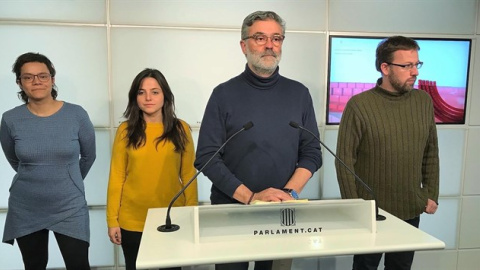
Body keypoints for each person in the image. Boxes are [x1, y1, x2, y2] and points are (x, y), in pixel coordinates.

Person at [194, 11, 322, 270]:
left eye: (276, 38)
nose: (269, 45)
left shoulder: (299, 93)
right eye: (260, 38)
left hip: (282, 212)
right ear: (244, 45)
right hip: (232, 211)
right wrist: (251, 197)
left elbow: (312, 152)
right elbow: (207, 156)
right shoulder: (223, 94)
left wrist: (289, 193)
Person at [335, 36, 440, 270]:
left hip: (410, 208)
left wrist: (431, 192)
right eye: (407, 66)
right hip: (371, 213)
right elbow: (344, 162)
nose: (414, 72)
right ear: (385, 67)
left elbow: (430, 151)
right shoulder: (359, 105)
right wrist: (355, 208)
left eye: (417, 64)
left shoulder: (423, 101)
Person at [0, 52, 96, 269]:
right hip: (26, 205)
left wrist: (68, 180)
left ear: (52, 79)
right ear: (19, 82)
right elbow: (14, 160)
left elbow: (89, 156)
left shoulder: (76, 114)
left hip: (70, 205)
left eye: (43, 76)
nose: (36, 81)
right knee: (34, 265)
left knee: (79, 265)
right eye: (28, 77)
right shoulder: (10, 118)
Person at [106, 68, 198, 270]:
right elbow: (116, 177)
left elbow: (189, 175)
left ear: (165, 96)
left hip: (172, 219)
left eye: (155, 92)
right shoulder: (125, 131)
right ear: (135, 97)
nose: (148, 97)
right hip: (132, 220)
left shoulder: (180, 129)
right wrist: (112, 219)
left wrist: (191, 214)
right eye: (141, 92)